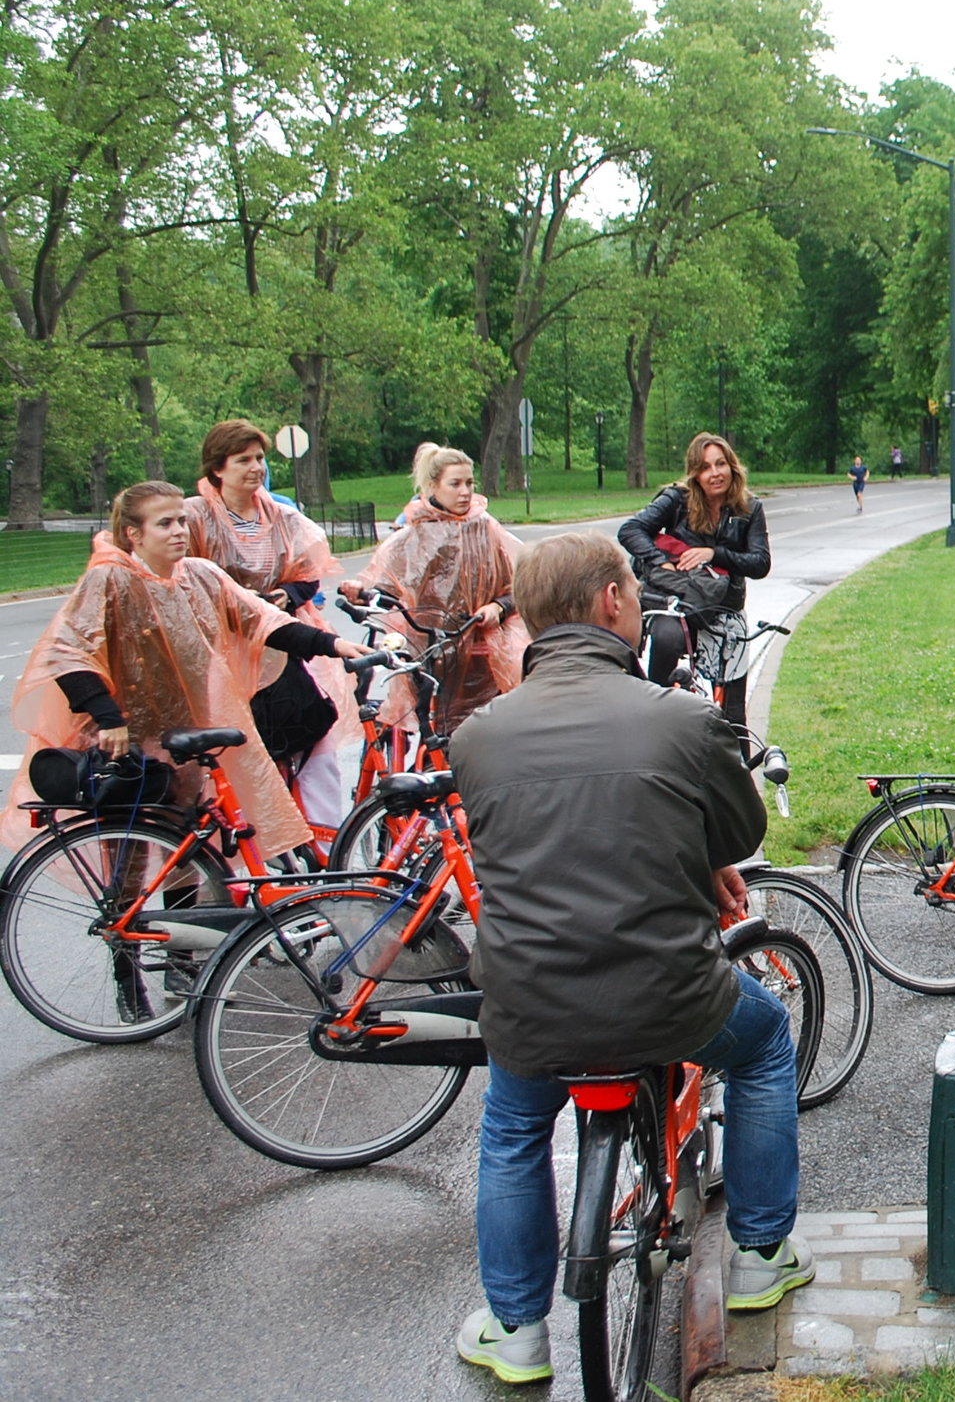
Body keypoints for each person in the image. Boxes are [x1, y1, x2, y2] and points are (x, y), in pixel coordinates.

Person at [446, 532, 809, 1384]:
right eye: (634, 591)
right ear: (613, 602)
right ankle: (760, 1254)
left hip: (530, 1002)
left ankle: (517, 1332)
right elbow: (740, 831)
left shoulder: (479, 736)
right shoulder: (682, 718)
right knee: (762, 1046)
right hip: (669, 994)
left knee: (512, 1127)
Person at [6, 483, 366, 869]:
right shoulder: (108, 580)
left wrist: (333, 644)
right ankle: (125, 923)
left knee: (187, 848)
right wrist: (108, 717)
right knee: (129, 847)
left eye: (181, 520)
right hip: (123, 733)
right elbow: (67, 650)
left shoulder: (198, 574)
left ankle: (183, 927)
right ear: (134, 533)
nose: (179, 530)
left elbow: (261, 621)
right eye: (164, 523)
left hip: (183, 727)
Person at [182, 420, 360, 826]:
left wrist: (289, 596)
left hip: (279, 647)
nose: (255, 467)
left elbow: (308, 569)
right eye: (243, 459)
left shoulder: (282, 516)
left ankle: (322, 847)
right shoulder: (193, 516)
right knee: (235, 757)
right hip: (219, 656)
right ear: (218, 468)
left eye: (260, 458)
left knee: (314, 742)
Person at [339, 446, 526, 738]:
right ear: (433, 487)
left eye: (469, 483)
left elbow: (520, 585)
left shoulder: (486, 529)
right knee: (439, 730)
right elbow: (387, 582)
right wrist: (361, 590)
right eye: (455, 484)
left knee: (490, 732)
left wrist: (498, 607)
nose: (465, 492)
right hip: (429, 650)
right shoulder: (414, 532)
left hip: (483, 652)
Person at [618, 433, 773, 729]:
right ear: (695, 474)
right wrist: (658, 559)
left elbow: (760, 563)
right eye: (705, 467)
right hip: (678, 602)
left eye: (720, 464)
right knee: (666, 641)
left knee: (734, 715)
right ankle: (653, 722)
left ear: (732, 466)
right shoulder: (677, 499)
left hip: (723, 608)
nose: (715, 473)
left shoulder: (750, 508)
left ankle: (739, 770)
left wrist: (714, 554)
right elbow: (631, 530)